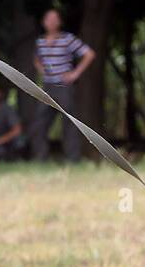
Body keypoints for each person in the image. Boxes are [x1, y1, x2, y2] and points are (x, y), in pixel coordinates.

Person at [31, 8, 96, 162]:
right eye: (49, 18)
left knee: (69, 122)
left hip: (64, 87)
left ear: (59, 22)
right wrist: (42, 70)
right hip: (47, 86)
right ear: (44, 22)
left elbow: (89, 54)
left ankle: (73, 159)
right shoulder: (40, 42)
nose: (52, 22)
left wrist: (75, 74)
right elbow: (36, 59)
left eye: (55, 19)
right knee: (40, 121)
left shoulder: (67, 39)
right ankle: (41, 157)